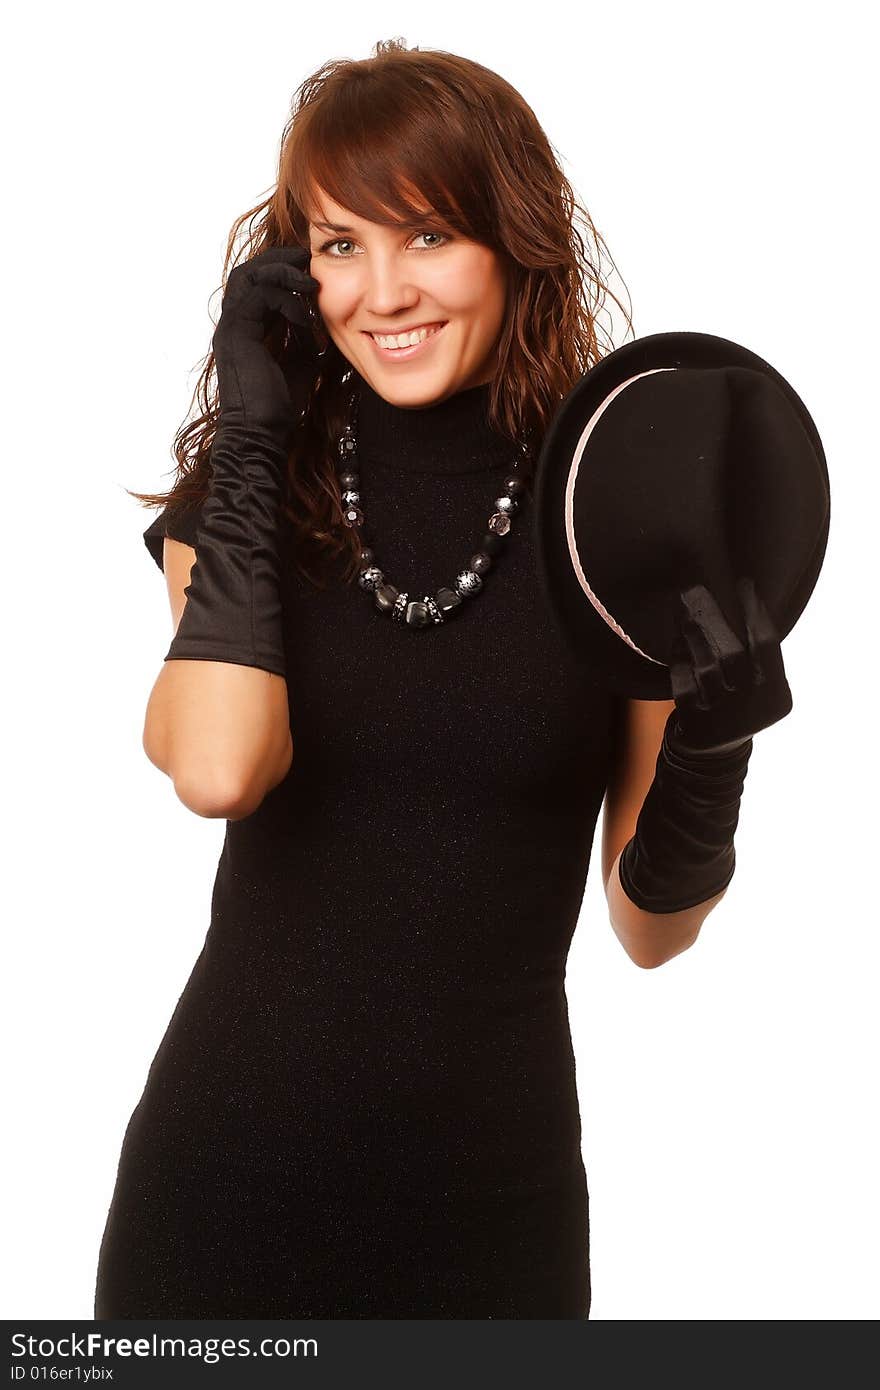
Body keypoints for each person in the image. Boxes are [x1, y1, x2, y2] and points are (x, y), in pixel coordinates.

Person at [93, 39, 736, 1320]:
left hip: (494, 1211)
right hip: (223, 1190)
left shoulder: (615, 523)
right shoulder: (243, 506)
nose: (381, 292)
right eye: (338, 246)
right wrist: (253, 426)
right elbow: (220, 769)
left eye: (426, 236)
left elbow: (650, 930)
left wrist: (716, 755)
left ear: (513, 242)